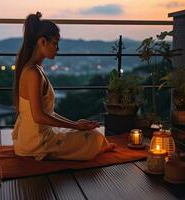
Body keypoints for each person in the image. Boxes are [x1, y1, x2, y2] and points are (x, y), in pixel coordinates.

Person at [12, 12, 116, 161]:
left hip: (31, 137)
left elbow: (46, 113)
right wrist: (75, 126)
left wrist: (75, 124)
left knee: (91, 133)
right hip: (36, 142)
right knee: (95, 137)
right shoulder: (33, 73)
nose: (57, 48)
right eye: (55, 43)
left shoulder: (33, 69)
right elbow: (39, 116)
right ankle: (99, 147)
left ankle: (98, 146)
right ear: (42, 42)